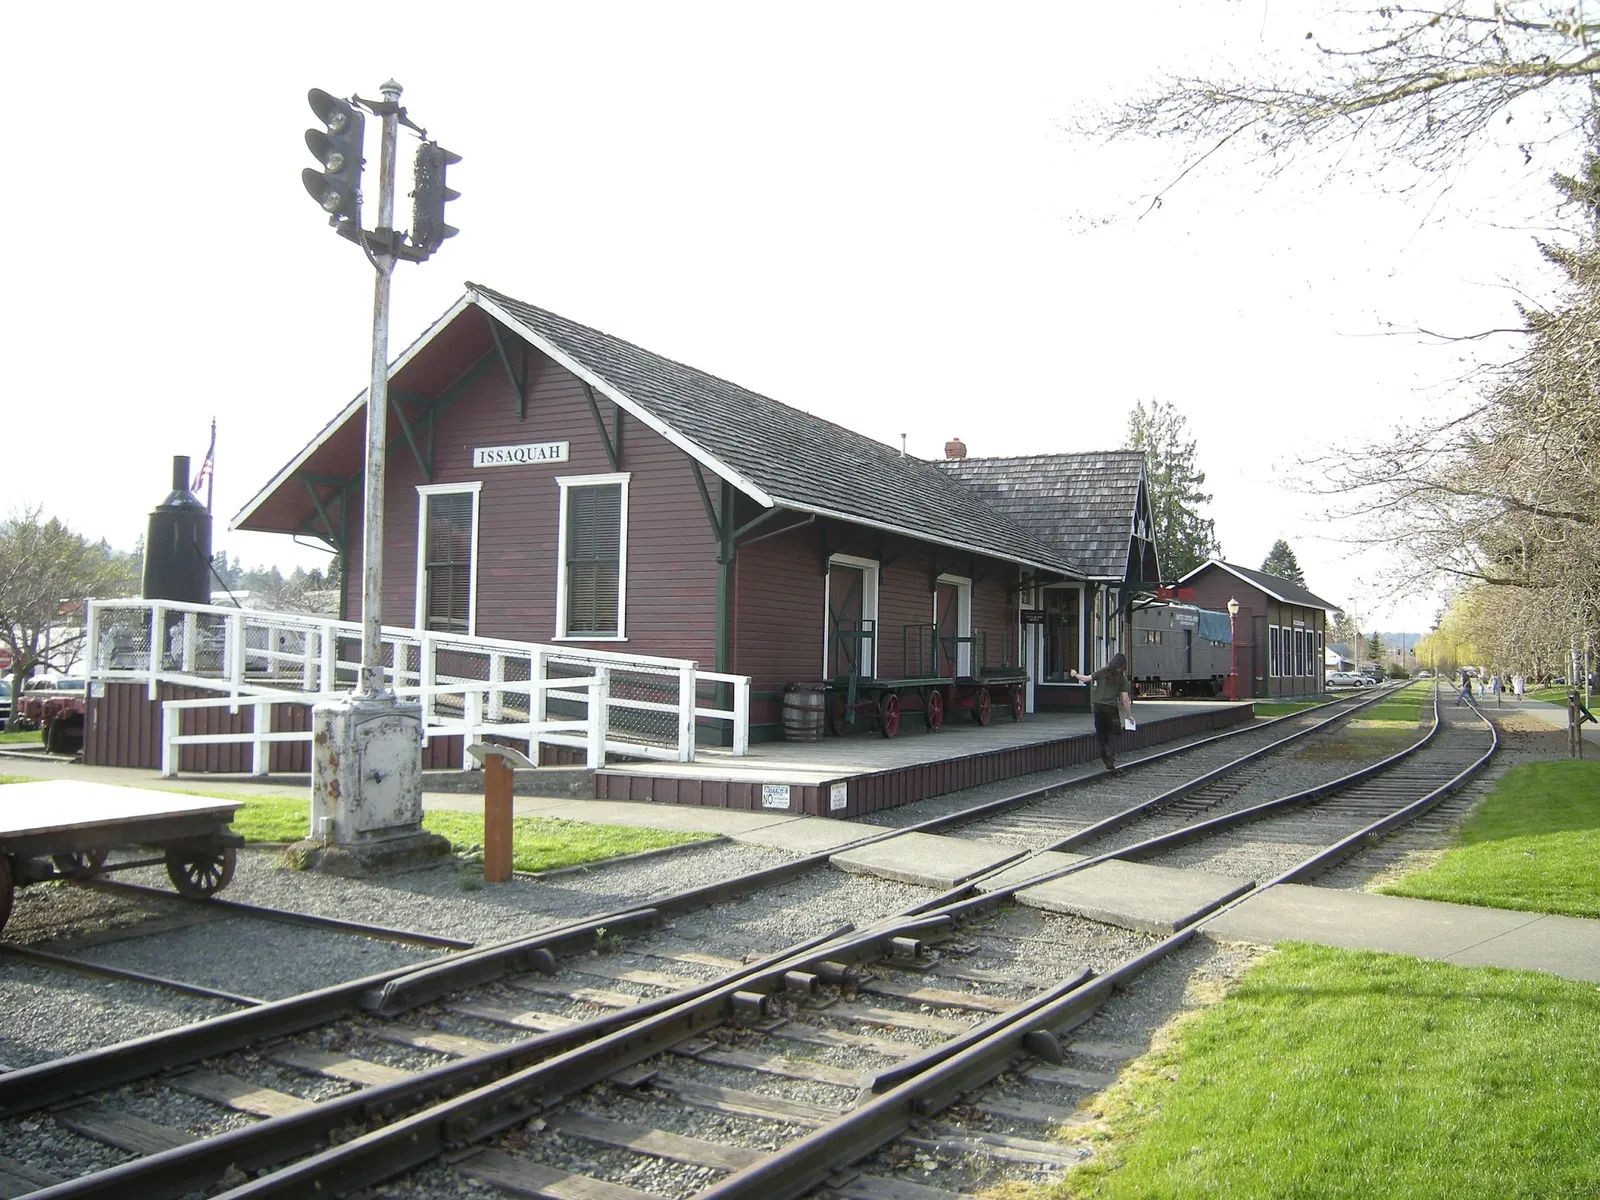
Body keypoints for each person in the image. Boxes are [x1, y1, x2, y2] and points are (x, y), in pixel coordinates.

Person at [1072, 653, 1134, 771]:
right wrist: (1129, 715)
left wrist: (1075, 675)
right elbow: (1125, 700)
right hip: (1110, 708)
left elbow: (1086, 678)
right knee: (1115, 732)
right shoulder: (1122, 678)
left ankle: (1107, 761)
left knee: (1101, 734)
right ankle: (1109, 752)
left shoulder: (1103, 672)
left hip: (1097, 707)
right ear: (1123, 665)